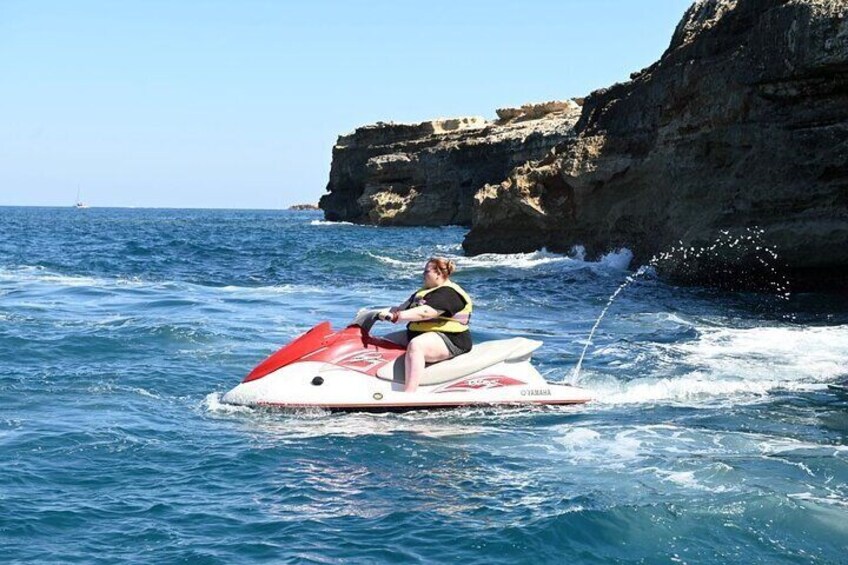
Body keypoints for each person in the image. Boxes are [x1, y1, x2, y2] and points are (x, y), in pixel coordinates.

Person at [377, 257, 473, 392]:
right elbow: (402, 308)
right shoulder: (423, 292)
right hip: (423, 333)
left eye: (426, 271)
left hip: (452, 339)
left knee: (417, 346)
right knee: (382, 341)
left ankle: (409, 394)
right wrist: (380, 312)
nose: (423, 275)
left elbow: (425, 312)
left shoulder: (450, 294)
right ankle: (379, 382)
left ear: (439, 274)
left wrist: (397, 317)